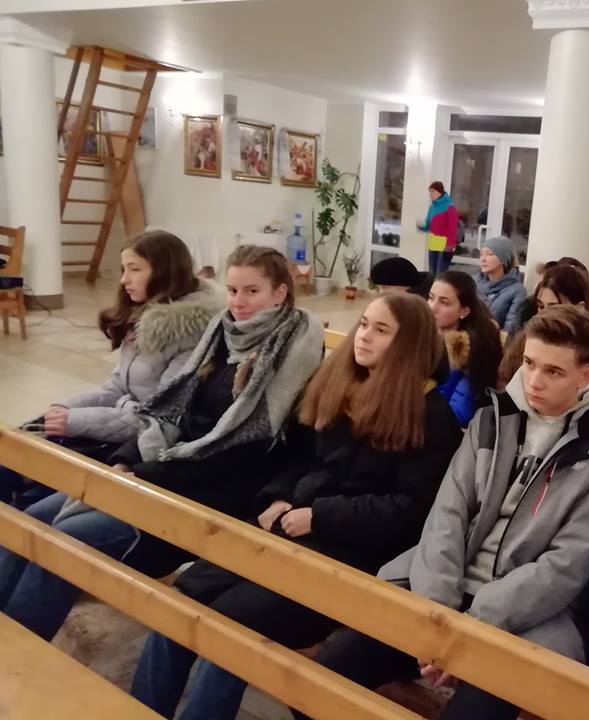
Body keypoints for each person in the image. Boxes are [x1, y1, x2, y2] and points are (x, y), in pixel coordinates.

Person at [129, 294, 463, 720]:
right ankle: (142, 708)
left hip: (348, 559)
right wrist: (279, 495)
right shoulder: (340, 386)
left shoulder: (430, 415)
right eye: (364, 324)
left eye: (381, 331)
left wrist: (320, 516)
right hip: (288, 527)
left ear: (410, 345)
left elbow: (410, 511)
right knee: (184, 593)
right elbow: (298, 458)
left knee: (230, 624)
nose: (364, 336)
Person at [290, 305, 589, 720]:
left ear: (586, 377)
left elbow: (564, 568)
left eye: (554, 372)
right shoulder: (492, 420)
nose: (534, 381)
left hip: (525, 620)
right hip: (441, 590)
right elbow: (446, 515)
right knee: (317, 684)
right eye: (528, 363)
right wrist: (439, 615)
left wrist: (467, 628)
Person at [0, 245, 326, 641]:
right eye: (232, 290)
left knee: (66, 541)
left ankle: (19, 651)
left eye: (252, 291)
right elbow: (170, 411)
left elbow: (246, 454)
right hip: (166, 469)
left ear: (280, 293)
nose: (238, 302)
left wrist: (143, 473)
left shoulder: (293, 355)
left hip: (210, 497)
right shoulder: (221, 334)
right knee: (34, 517)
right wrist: (126, 459)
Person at [0, 230, 222, 507]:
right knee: (12, 453)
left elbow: (162, 419)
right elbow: (116, 387)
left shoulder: (192, 332)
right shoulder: (145, 315)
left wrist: (75, 421)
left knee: (27, 488)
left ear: (165, 271)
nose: (123, 279)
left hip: (137, 449)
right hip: (120, 427)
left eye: (134, 269)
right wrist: (65, 409)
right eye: (123, 269)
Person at [498, 264, 589, 423]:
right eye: (540, 306)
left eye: (555, 307)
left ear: (580, 308)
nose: (545, 314)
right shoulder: (525, 345)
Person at [427, 270, 503, 427]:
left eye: (444, 302)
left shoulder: (471, 350)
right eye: (431, 298)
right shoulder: (422, 338)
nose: (433, 307)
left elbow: (458, 414)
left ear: (464, 311)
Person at [475, 234, 527, 334]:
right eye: (481, 254)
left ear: (503, 260)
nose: (483, 259)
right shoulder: (474, 283)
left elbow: (510, 329)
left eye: (489, 254)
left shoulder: (517, 291)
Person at [418, 180, 459, 275]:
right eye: (430, 191)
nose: (431, 194)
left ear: (440, 192)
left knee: (440, 274)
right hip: (433, 243)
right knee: (432, 273)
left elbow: (453, 228)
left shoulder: (450, 207)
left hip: (445, 245)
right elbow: (428, 224)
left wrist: (450, 244)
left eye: (433, 191)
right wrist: (422, 227)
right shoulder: (432, 207)